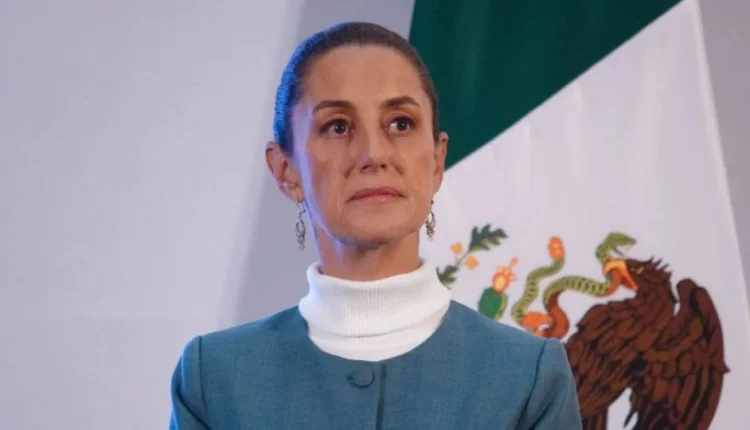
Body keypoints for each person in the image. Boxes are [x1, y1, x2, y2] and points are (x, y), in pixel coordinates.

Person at [169, 21, 582, 429]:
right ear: (285, 170)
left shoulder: (529, 379)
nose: (373, 154)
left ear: (436, 161)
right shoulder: (214, 380)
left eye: (400, 123)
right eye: (338, 126)